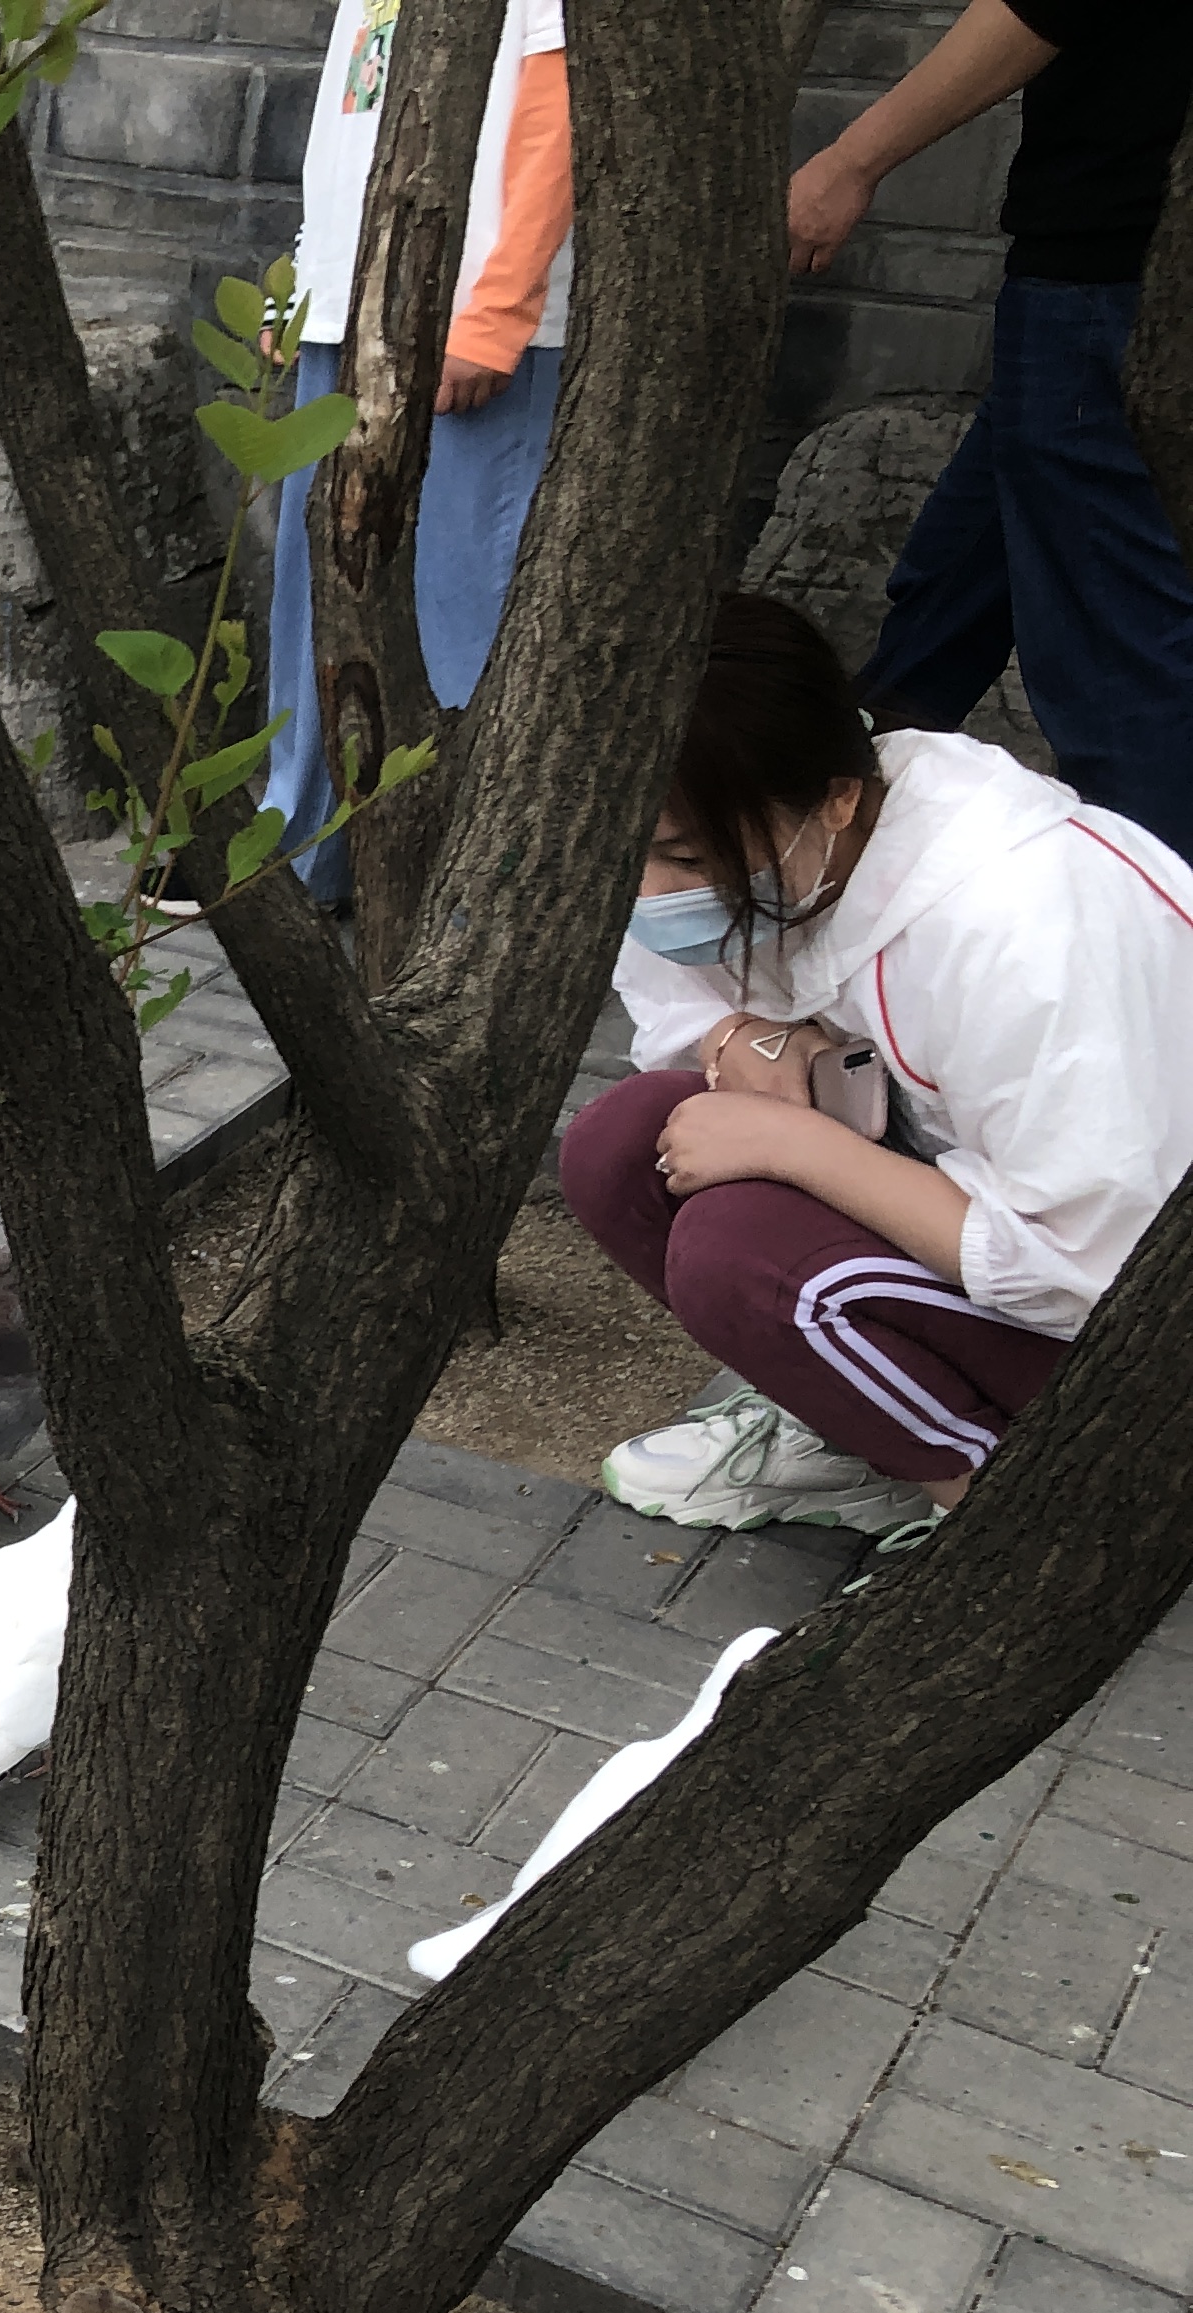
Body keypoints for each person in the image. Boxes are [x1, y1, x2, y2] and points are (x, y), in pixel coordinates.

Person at [565, 594, 1193, 1544]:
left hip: (1146, 1334)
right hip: (996, 1224)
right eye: (636, 857)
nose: (653, 897)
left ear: (838, 798)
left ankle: (1012, 1527)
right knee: (622, 1145)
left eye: (685, 858)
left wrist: (796, 1143)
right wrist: (744, 1042)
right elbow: (672, 998)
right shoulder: (797, 842)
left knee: (744, 1253)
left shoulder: (1021, 928)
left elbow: (1099, 1272)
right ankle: (867, 1438)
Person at [789, 0, 1193, 856]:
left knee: (1112, 658)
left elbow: (1036, 11)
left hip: (1106, 271)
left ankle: (1157, 931)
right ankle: (821, 828)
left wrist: (852, 160)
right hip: (1098, 276)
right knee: (950, 591)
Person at [259, 0, 577, 904]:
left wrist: (503, 307)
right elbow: (347, 124)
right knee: (314, 588)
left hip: (465, 315)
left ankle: (451, 884)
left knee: (457, 616)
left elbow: (560, 104)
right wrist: (301, 278)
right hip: (343, 300)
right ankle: (301, 852)